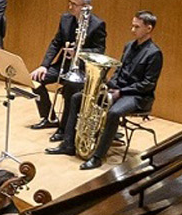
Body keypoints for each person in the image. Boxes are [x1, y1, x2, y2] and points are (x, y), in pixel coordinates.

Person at [66, 11, 164, 169]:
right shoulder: (129, 46)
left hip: (137, 96)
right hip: (117, 89)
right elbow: (119, 70)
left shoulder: (154, 53)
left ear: (148, 28)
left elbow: (148, 84)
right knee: (79, 97)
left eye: (137, 27)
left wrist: (121, 92)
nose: (133, 30)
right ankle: (68, 143)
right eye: (132, 25)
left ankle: (97, 157)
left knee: (114, 112)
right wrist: (109, 85)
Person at [29, 0, 106, 131]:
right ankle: (49, 117)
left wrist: (78, 52)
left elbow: (99, 51)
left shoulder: (97, 24)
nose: (70, 7)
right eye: (69, 2)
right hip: (64, 66)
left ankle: (65, 129)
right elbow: (56, 43)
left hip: (83, 70)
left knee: (69, 90)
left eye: (74, 4)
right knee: (36, 79)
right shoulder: (65, 19)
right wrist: (44, 65)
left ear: (85, 7)